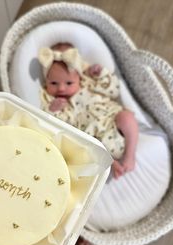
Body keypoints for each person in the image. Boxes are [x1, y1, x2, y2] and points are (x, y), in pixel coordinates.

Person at [38, 43, 139, 178]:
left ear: (79, 77)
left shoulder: (89, 83)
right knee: (84, 151)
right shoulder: (55, 102)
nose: (61, 88)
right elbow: (57, 126)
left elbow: (113, 90)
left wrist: (101, 75)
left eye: (69, 83)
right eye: (54, 83)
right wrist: (54, 109)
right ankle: (111, 163)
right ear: (46, 81)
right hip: (95, 139)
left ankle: (130, 155)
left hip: (112, 122)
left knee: (127, 118)